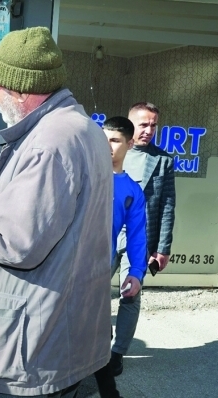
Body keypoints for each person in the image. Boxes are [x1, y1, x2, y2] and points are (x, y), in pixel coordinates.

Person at [0, 27, 112, 397]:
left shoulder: (48, 142)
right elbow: (55, 216)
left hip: (32, 345)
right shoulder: (80, 128)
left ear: (21, 90)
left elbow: (16, 244)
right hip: (61, 330)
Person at [110, 102, 176, 376]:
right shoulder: (107, 154)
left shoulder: (162, 160)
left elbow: (168, 205)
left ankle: (117, 353)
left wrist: (163, 248)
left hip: (140, 238)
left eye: (153, 125)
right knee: (91, 292)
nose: (149, 130)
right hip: (107, 235)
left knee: (131, 296)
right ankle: (90, 346)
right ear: (129, 125)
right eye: (143, 124)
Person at [93, 116, 148, 398]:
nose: (108, 146)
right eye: (103, 139)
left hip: (101, 268)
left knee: (99, 333)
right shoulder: (84, 174)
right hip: (64, 266)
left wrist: (136, 273)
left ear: (129, 144)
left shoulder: (132, 191)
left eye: (114, 141)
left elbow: (138, 236)